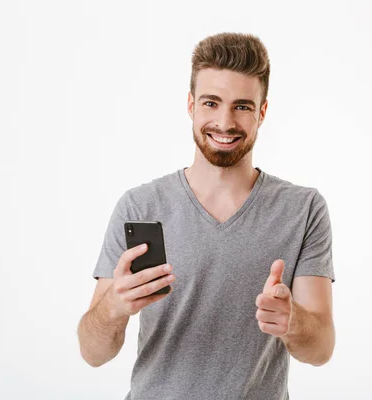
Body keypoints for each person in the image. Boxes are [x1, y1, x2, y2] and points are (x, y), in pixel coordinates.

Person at [77, 32, 336, 400]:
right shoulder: (140, 207)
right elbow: (92, 352)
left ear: (262, 112)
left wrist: (293, 321)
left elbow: (321, 349)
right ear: (190, 105)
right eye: (211, 103)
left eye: (242, 106)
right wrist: (115, 307)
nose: (225, 122)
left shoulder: (303, 209)